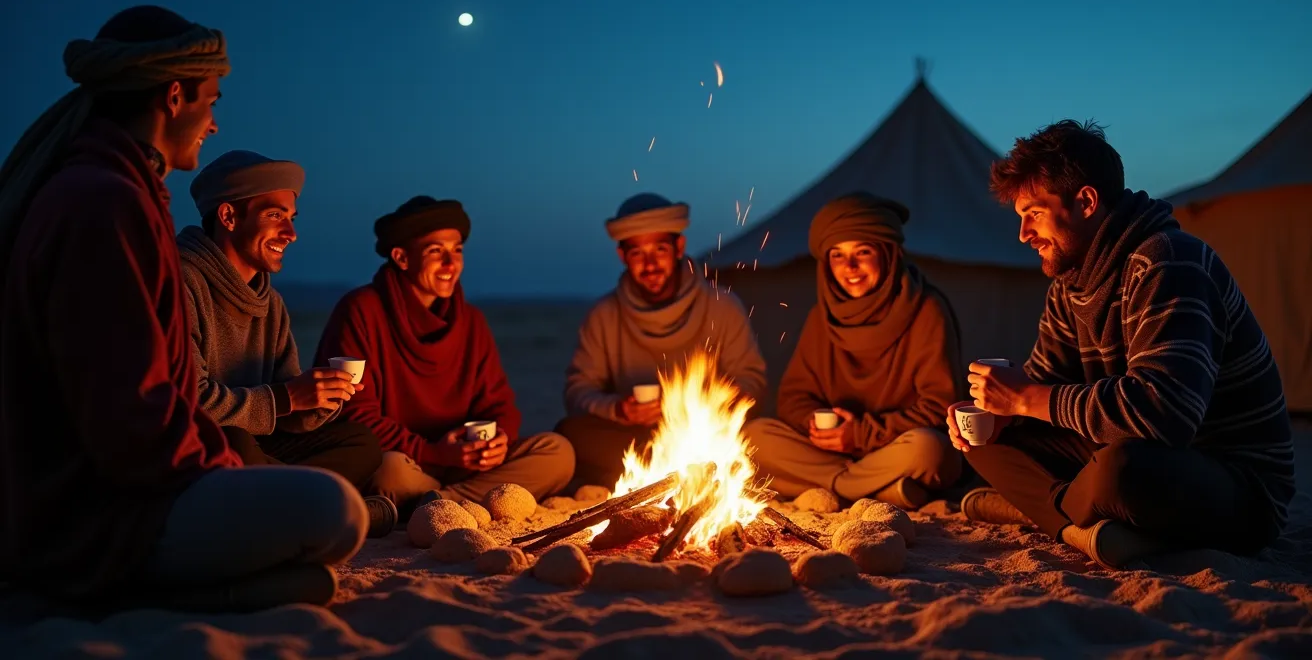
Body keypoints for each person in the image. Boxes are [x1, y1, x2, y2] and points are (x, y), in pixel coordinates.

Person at [0, 6, 366, 613]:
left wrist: (308, 401)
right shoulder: (103, 204)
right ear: (175, 96)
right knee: (335, 513)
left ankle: (223, 584)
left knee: (321, 490)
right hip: (98, 506)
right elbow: (135, 413)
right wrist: (223, 468)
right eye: (212, 101)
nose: (214, 123)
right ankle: (119, 585)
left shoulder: (115, 193)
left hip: (138, 476)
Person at [949, 120, 1295, 569]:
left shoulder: (1168, 262)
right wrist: (1001, 417)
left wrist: (1026, 398)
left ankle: (1046, 512)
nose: (1023, 234)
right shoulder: (1070, 285)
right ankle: (1086, 525)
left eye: (1033, 213)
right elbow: (1045, 387)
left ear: (1086, 202)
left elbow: (1164, 414)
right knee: (979, 441)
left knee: (1120, 471)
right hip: (1121, 450)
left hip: (1231, 481)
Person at [181, 149, 399, 533]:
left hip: (259, 453)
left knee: (359, 442)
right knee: (233, 444)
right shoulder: (181, 282)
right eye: (275, 215)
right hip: (200, 448)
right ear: (229, 217)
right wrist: (286, 398)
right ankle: (334, 508)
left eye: (292, 218)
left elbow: (287, 416)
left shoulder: (271, 303)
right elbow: (186, 403)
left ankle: (297, 503)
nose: (292, 233)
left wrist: (320, 399)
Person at [315, 196, 575, 512]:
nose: (451, 265)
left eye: (457, 251)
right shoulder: (360, 310)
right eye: (436, 251)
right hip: (407, 462)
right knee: (390, 472)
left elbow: (499, 403)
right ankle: (452, 500)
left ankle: (439, 502)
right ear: (401, 257)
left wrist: (499, 439)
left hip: (462, 464)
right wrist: (432, 452)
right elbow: (354, 414)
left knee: (557, 452)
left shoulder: (472, 320)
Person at [742, 193, 964, 510]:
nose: (850, 267)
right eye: (837, 255)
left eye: (863, 251)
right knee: (753, 436)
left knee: (933, 451)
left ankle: (837, 488)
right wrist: (818, 427)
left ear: (889, 254)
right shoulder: (822, 317)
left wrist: (861, 434)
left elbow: (940, 407)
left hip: (893, 449)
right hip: (832, 453)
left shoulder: (927, 309)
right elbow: (793, 398)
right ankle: (881, 491)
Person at [556, 193, 768, 488]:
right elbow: (578, 391)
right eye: (637, 254)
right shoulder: (603, 314)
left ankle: (667, 477)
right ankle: (657, 477)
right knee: (570, 433)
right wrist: (618, 409)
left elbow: (752, 380)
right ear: (622, 257)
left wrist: (694, 407)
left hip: (709, 440)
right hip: (634, 440)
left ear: (679, 247)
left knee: (763, 436)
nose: (651, 264)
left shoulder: (722, 306)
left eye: (660, 249)